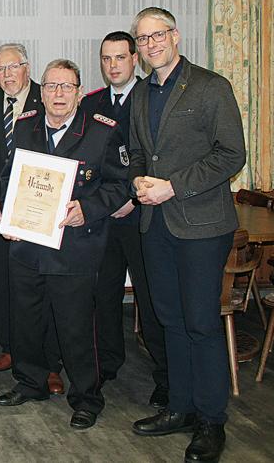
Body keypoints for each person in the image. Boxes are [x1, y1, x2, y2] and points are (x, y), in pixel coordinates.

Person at [128, 7, 246, 463]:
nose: (151, 44)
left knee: (200, 324)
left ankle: (211, 421)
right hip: (154, 224)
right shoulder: (141, 94)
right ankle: (179, 408)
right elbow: (139, 151)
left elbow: (231, 154)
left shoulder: (211, 86)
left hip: (201, 226)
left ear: (175, 35)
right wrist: (139, 181)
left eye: (157, 35)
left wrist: (173, 187)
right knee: (170, 321)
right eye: (143, 38)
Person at [0, 59, 129, 430]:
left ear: (80, 92)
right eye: (51, 86)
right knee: (26, 321)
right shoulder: (24, 128)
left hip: (75, 249)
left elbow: (120, 185)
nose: (58, 94)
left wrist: (88, 208)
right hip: (28, 246)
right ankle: (31, 381)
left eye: (66, 87)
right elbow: (9, 178)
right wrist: (7, 214)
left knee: (76, 327)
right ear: (41, 92)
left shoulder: (102, 133)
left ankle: (86, 397)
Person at [81, 31, 169, 408]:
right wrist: (102, 202)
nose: (112, 65)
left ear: (136, 59)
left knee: (151, 299)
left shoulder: (150, 96)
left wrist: (132, 197)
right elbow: (86, 158)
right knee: (104, 295)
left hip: (141, 214)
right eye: (105, 59)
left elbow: (155, 154)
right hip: (103, 217)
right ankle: (107, 363)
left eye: (120, 57)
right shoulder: (91, 102)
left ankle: (166, 375)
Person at [0, 43, 63, 395]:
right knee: (2, 281)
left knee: (43, 288)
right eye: (0, 69)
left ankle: (49, 363)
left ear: (28, 68)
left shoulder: (46, 100)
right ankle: (12, 349)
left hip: (39, 210)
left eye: (13, 67)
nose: (7, 74)